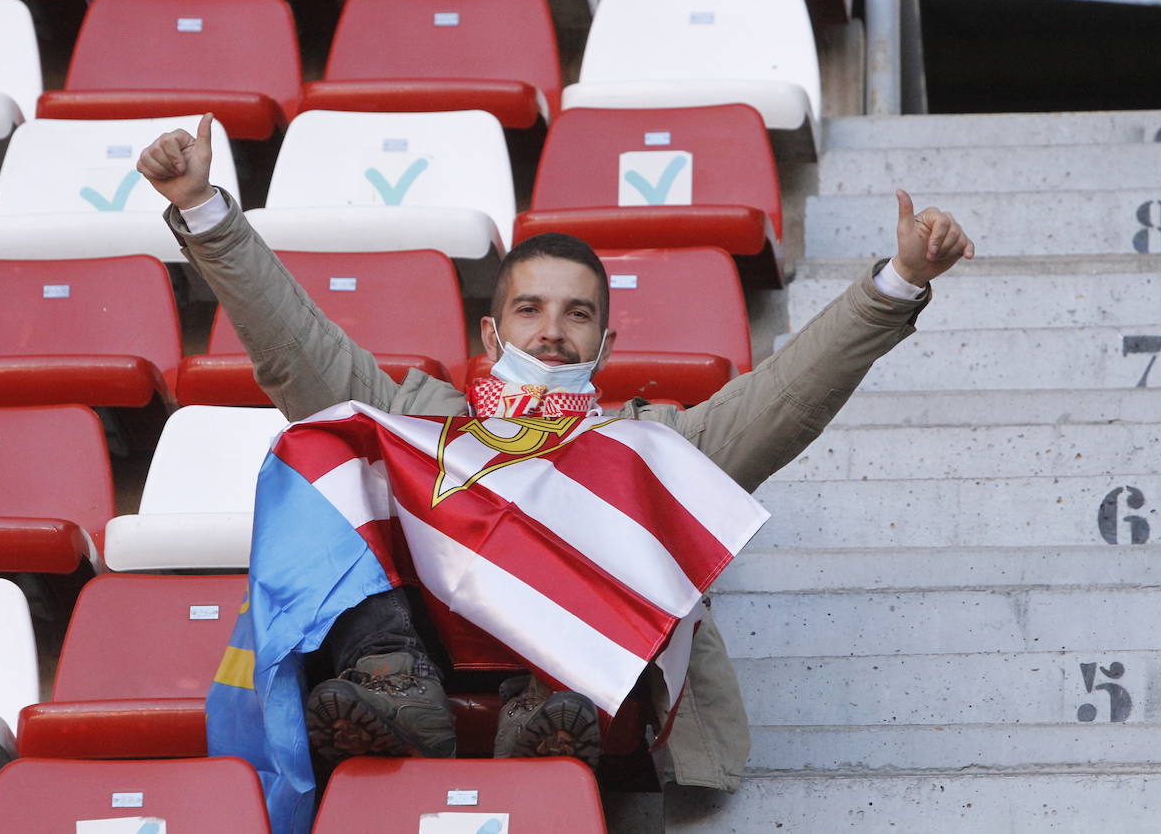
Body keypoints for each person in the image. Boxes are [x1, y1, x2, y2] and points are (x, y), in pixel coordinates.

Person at [137, 114, 974, 792]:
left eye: (576, 314)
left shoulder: (649, 446)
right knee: (342, 464)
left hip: (573, 674)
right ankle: (391, 688)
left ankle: (551, 708)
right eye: (531, 309)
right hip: (423, 647)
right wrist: (206, 209)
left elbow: (788, 397)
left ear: (604, 343)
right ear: (492, 333)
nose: (552, 329)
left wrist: (895, 281)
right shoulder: (414, 415)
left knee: (618, 496)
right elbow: (294, 344)